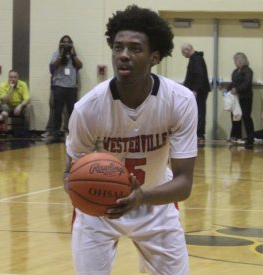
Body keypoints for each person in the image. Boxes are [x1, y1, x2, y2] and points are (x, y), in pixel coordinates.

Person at [63, 5, 197, 274]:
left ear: (154, 57)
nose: (123, 55)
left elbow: (183, 184)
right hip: (98, 211)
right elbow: (69, 175)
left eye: (135, 49)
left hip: (156, 203)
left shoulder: (179, 101)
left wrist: (141, 197)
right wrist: (88, 191)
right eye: (118, 47)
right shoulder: (88, 108)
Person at [49, 35, 82, 141]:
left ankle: (71, 131)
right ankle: (56, 132)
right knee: (57, 111)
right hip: (59, 86)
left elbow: (80, 65)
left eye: (68, 43)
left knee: (72, 111)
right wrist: (62, 53)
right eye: (64, 42)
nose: (66, 44)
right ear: (61, 44)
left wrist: (72, 54)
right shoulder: (57, 53)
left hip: (71, 87)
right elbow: (53, 66)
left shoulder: (73, 55)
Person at [181, 42, 211, 144]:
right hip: (198, 91)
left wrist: (195, 90)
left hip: (199, 92)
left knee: (199, 112)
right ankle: (197, 134)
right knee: (198, 112)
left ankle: (199, 135)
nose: (183, 54)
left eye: (182, 52)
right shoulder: (195, 58)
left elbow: (199, 75)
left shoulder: (196, 59)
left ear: (187, 50)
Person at [228, 52, 255, 145]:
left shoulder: (248, 71)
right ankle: (235, 136)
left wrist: (237, 89)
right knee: (235, 116)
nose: (234, 62)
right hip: (236, 99)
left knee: (246, 117)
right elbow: (233, 83)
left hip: (245, 97)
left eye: (235, 60)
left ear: (240, 60)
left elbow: (247, 83)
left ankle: (250, 138)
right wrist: (227, 90)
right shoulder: (235, 71)